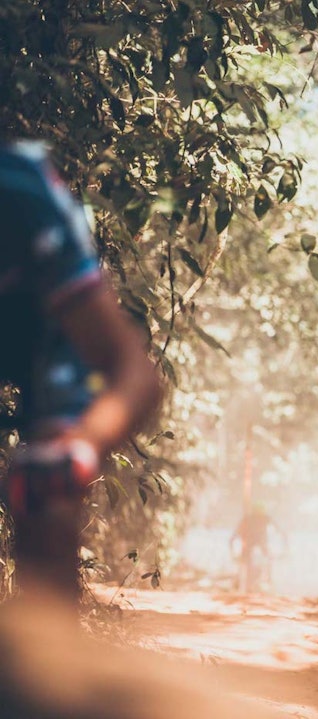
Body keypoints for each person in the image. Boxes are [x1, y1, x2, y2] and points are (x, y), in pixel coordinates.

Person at [0, 140, 163, 606]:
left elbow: (135, 374)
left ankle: (49, 660)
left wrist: (78, 449)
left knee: (44, 487)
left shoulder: (18, 189)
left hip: (40, 335)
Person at [230, 502, 285, 593]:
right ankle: (264, 578)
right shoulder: (254, 519)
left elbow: (279, 530)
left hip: (257, 543)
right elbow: (238, 532)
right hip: (252, 543)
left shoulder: (258, 519)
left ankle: (267, 578)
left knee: (265, 558)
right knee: (250, 559)